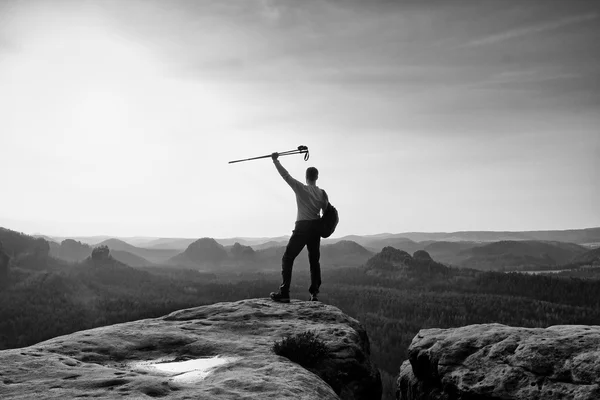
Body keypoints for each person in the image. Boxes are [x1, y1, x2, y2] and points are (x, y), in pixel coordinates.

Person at [269, 152, 328, 303]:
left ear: (306, 176)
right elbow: (326, 212)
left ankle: (284, 292)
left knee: (288, 258)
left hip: (302, 227)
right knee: (314, 261)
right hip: (315, 228)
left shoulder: (301, 189)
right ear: (317, 177)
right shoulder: (322, 193)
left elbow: (285, 175)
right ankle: (314, 294)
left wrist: (275, 160)